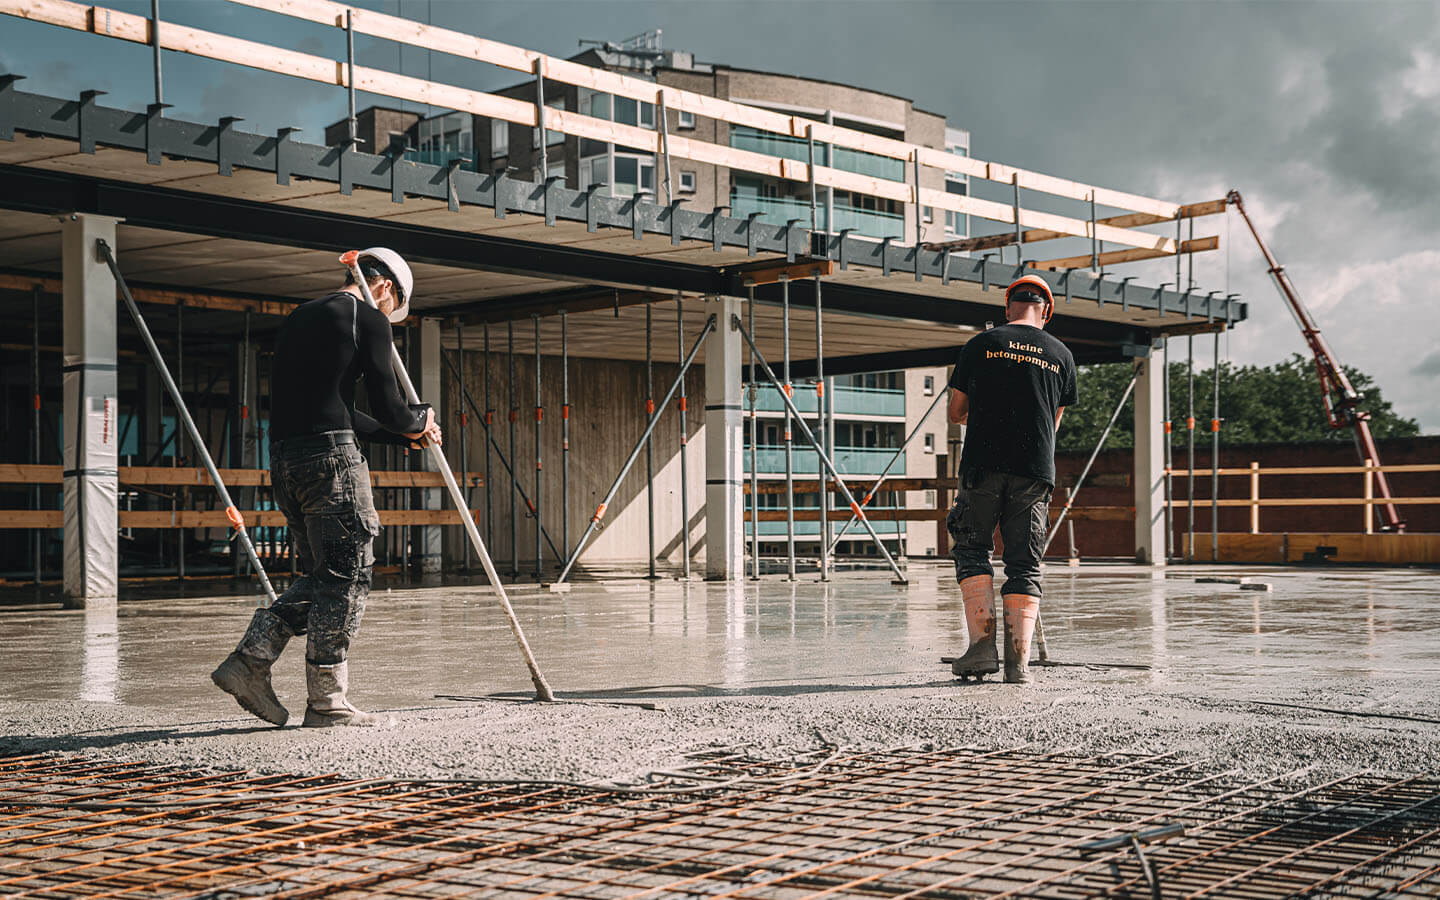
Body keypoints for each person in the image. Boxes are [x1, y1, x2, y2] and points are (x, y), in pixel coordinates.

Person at [211, 248, 442, 727]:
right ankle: (326, 703)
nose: (388, 315)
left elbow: (336, 408)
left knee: (324, 578)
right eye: (392, 305)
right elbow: (392, 407)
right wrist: (420, 420)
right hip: (333, 466)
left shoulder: (299, 318)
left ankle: (252, 661)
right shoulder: (368, 320)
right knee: (348, 577)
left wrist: (402, 435)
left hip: (287, 462)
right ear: (385, 287)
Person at [945, 274, 1077, 684]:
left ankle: (981, 651)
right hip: (1034, 472)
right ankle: (1018, 664)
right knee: (1024, 562)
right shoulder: (1062, 355)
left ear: (1008, 307)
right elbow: (1052, 423)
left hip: (983, 465)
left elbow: (955, 412)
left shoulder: (980, 346)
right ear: (1047, 310)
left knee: (973, 551)